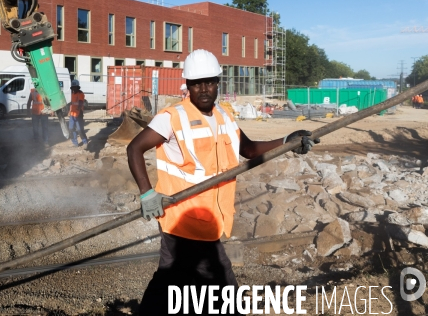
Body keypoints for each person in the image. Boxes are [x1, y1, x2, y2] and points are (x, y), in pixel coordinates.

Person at [127, 49, 320, 315]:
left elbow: (250, 150)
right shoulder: (172, 117)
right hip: (183, 218)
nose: (203, 89)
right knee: (219, 283)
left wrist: (288, 141)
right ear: (188, 86)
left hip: (210, 219)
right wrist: (147, 193)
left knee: (171, 279)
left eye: (209, 82)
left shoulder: (224, 117)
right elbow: (135, 148)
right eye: (197, 83)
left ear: (218, 82)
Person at [69, 80, 88, 147]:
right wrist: (69, 111)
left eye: (75, 87)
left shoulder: (81, 94)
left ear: (77, 87)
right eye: (73, 87)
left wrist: (78, 109)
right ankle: (75, 143)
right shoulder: (73, 94)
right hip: (72, 114)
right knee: (71, 129)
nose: (74, 88)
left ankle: (85, 142)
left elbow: (80, 102)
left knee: (80, 129)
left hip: (79, 114)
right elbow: (72, 104)